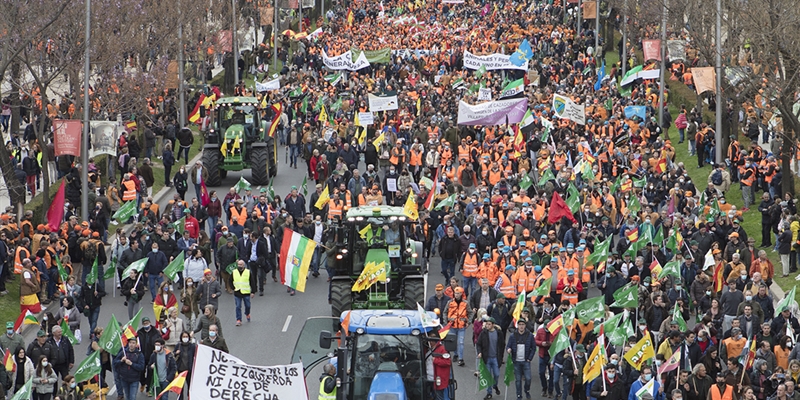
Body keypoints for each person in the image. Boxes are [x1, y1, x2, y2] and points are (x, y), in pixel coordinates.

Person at [506, 318, 535, 400]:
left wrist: (530, 358)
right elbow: (508, 346)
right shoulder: (513, 336)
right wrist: (508, 349)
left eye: (523, 325)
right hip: (516, 361)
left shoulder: (529, 335)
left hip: (526, 361)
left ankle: (527, 390)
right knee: (518, 380)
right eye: (520, 325)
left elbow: (533, 348)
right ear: (517, 326)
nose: (521, 326)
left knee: (528, 379)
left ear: (525, 326)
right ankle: (519, 395)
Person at [477, 317, 504, 399]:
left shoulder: (499, 333)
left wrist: (501, 356)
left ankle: (495, 385)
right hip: (487, 358)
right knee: (488, 376)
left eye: (489, 324)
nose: (487, 326)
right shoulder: (483, 333)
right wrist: (479, 352)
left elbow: (502, 345)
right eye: (486, 324)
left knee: (496, 374)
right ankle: (489, 393)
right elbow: (479, 344)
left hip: (495, 358)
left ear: (493, 325)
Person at [231, 260, 256, 326]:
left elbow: (252, 282)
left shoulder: (248, 272)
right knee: (238, 306)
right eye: (238, 264)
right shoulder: (234, 272)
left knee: (248, 305)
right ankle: (238, 319)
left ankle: (247, 313)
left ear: (244, 265)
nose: (239, 266)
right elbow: (230, 281)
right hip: (237, 292)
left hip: (246, 292)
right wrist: (233, 288)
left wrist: (253, 291)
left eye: (241, 264)